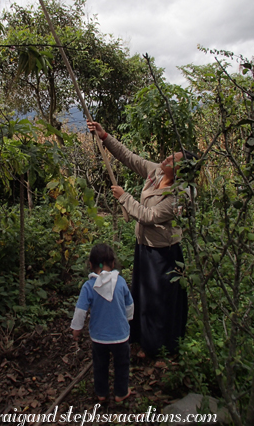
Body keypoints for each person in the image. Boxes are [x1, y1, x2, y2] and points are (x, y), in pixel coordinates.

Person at [87, 120, 196, 358]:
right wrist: (104, 136)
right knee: (144, 297)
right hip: (144, 247)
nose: (166, 159)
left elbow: (151, 216)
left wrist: (125, 198)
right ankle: (145, 341)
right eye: (168, 156)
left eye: (172, 160)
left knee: (160, 302)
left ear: (180, 171)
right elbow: (128, 157)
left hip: (163, 252)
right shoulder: (156, 172)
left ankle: (162, 350)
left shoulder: (180, 194)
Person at [70, 243, 134, 402]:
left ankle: (101, 393)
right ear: (113, 263)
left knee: (100, 366)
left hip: (99, 338)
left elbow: (80, 310)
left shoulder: (88, 286)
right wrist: (127, 320)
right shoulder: (120, 282)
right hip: (120, 336)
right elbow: (129, 305)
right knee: (122, 365)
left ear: (90, 264)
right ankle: (121, 393)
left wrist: (76, 329)